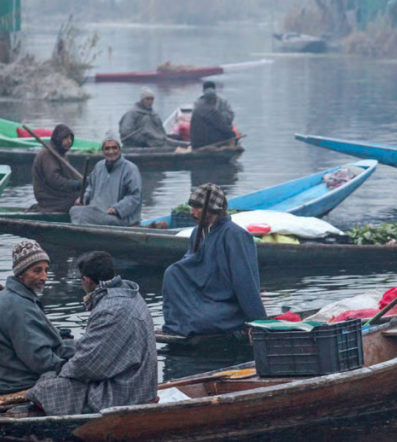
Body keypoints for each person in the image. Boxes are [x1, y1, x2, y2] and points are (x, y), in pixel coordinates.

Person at [27, 251, 157, 415]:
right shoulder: (131, 295)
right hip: (139, 383)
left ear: (86, 280)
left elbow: (87, 366)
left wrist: (62, 371)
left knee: (47, 385)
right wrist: (66, 348)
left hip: (126, 392)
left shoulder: (109, 309)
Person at [161, 183, 266, 337]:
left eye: (197, 208)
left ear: (213, 209)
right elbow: (190, 271)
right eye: (191, 207)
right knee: (173, 273)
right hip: (205, 300)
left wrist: (258, 321)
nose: (191, 212)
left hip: (228, 306)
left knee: (202, 321)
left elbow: (246, 282)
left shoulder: (236, 236)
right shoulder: (197, 233)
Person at [0, 241, 75, 394]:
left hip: (8, 374)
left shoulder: (8, 297)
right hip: (20, 380)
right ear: (21, 273)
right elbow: (39, 359)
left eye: (46, 270)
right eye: (37, 271)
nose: (44, 277)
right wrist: (73, 368)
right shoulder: (19, 305)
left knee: (76, 346)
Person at [70, 132, 142, 227]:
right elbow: (90, 187)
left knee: (82, 215)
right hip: (98, 214)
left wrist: (117, 208)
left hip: (120, 218)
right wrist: (84, 198)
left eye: (114, 148)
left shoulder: (131, 169)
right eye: (107, 148)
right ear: (103, 150)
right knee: (74, 210)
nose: (111, 152)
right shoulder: (98, 166)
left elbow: (135, 197)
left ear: (119, 149)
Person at [30, 124, 82, 213]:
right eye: (66, 138)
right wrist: (74, 184)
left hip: (59, 195)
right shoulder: (48, 154)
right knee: (78, 201)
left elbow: (70, 175)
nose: (69, 141)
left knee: (84, 196)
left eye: (70, 138)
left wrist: (83, 182)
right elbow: (54, 180)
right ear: (58, 138)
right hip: (49, 198)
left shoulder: (61, 154)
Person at [189, 81, 236, 149]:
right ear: (214, 100)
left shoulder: (199, 106)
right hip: (208, 142)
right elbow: (224, 129)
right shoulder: (212, 111)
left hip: (195, 143)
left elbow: (230, 115)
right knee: (230, 135)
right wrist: (232, 135)